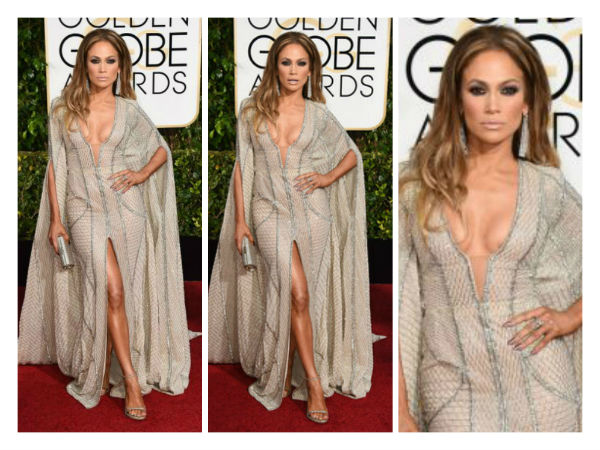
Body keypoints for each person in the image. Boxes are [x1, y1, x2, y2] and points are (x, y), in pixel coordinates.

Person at [398, 25, 581, 432]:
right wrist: (400, 410)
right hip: (450, 386)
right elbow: (403, 303)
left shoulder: (547, 188)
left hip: (543, 385)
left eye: (508, 90)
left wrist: (570, 317)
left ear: (528, 102)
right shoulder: (416, 188)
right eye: (478, 90)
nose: (493, 106)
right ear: (457, 99)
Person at [18, 29, 192, 420]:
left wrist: (139, 174)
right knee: (110, 286)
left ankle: (106, 368)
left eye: (110, 61)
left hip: (126, 207)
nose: (102, 68)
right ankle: (129, 379)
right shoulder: (62, 109)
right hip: (82, 210)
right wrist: (56, 219)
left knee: (118, 292)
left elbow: (161, 151)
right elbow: (57, 166)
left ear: (120, 67)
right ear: (83, 64)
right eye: (95, 60)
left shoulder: (129, 110)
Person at [208, 31, 373, 424]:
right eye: (286, 62)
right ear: (275, 67)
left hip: (313, 212)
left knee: (300, 296)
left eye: (302, 63)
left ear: (311, 70)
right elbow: (243, 167)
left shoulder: (319, 114)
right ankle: (313, 382)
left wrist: (326, 177)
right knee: (295, 289)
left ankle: (284, 370)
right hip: (268, 211)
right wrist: (241, 220)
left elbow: (352, 154)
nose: (294, 71)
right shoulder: (252, 111)